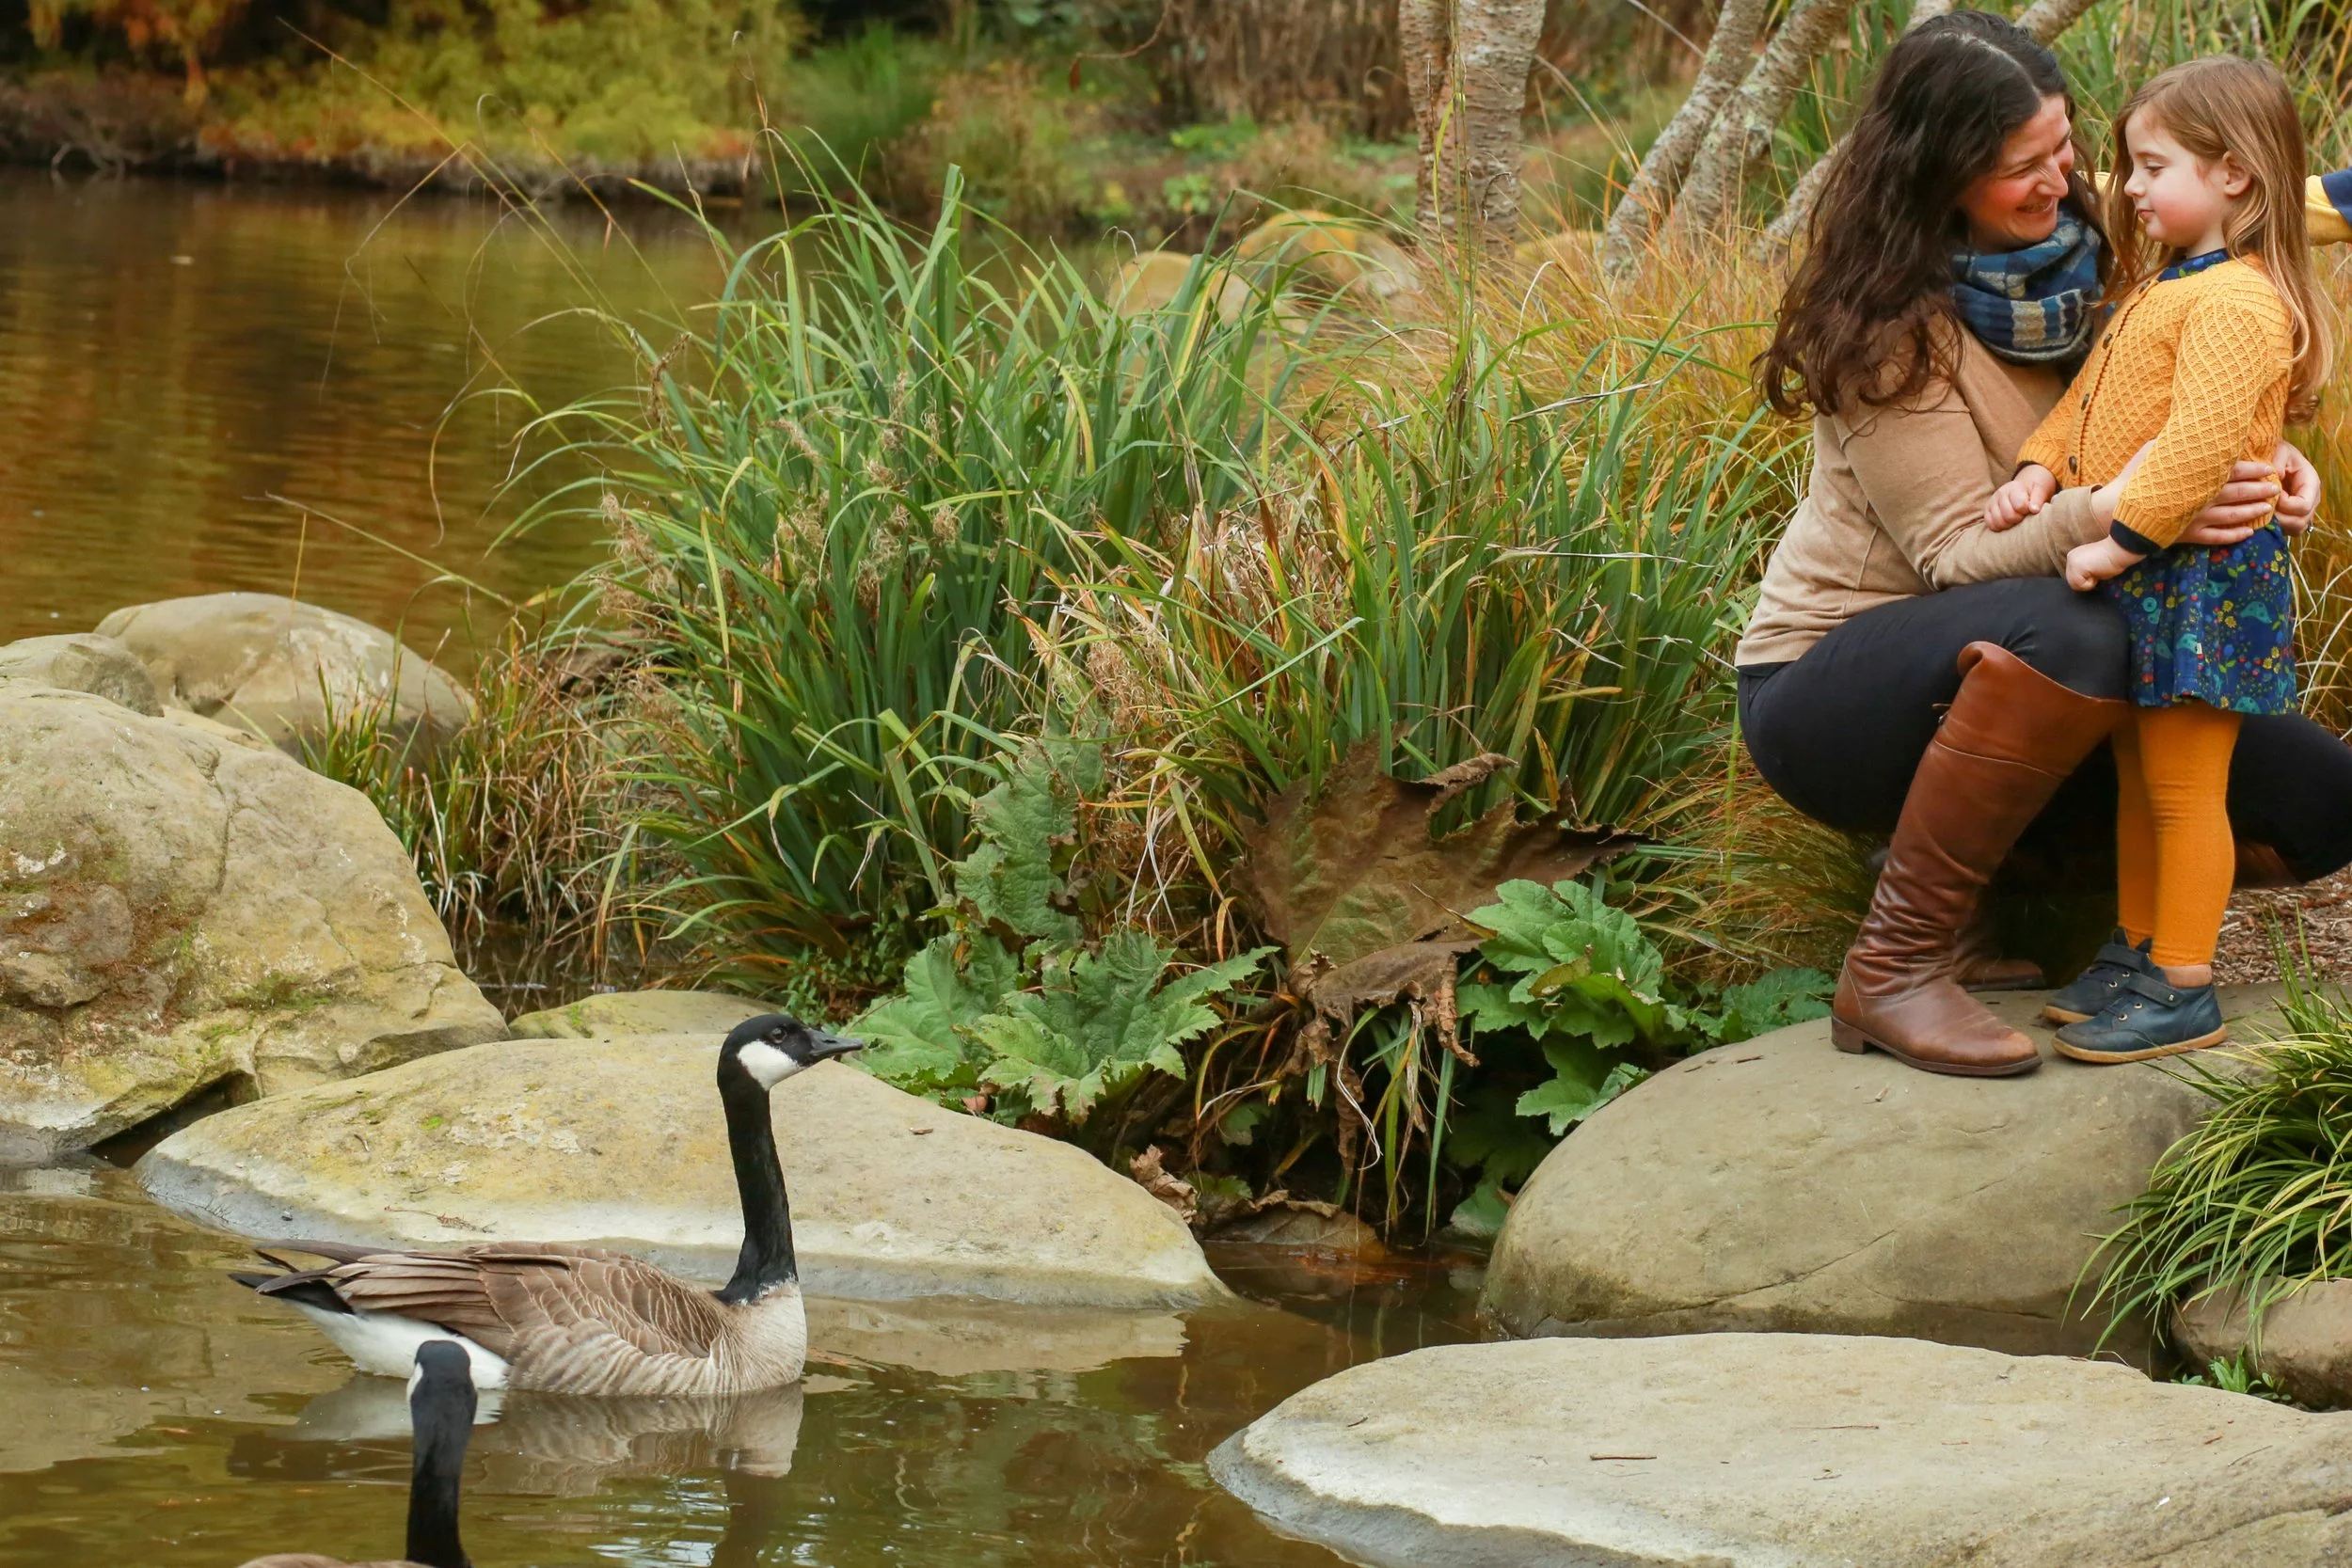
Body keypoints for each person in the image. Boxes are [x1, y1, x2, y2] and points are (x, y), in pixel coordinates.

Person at [1737, 8, 2352, 1078]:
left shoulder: (2105, 248)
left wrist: (2263, 457)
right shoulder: (1887, 328)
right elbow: (1953, 558)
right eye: (2024, 165)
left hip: (2072, 648)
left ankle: (2065, 911)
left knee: (2316, 795)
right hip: (1841, 688)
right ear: (1941, 178)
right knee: (2074, 626)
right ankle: (1896, 962)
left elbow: (2264, 217)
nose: (2064, 180)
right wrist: (2126, 515)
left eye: (2068, 149)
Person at [1982, 57, 2334, 1063]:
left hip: (2204, 575)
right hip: (2160, 570)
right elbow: (2090, 400)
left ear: (2233, 174)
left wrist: (2119, 539)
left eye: (2151, 165)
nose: (2127, 188)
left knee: (2185, 787)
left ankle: (2182, 975)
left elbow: (2202, 440)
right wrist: (2036, 469)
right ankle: (2137, 948)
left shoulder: (2237, 300)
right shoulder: (2166, 285)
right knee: (2141, 779)